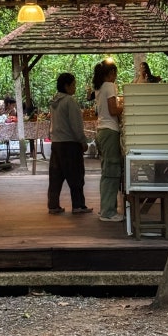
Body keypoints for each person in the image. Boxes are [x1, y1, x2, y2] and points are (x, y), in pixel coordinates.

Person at [47, 72, 92, 215]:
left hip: (56, 142)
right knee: (76, 174)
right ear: (66, 86)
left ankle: (53, 205)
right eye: (73, 85)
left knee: (56, 176)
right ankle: (78, 205)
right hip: (70, 143)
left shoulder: (54, 101)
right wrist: (82, 141)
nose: (75, 88)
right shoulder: (70, 101)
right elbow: (76, 125)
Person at [93, 60, 124, 222]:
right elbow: (113, 110)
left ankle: (106, 207)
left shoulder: (99, 87)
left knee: (107, 172)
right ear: (111, 73)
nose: (115, 77)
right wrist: (127, 106)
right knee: (112, 171)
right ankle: (108, 212)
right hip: (110, 130)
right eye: (115, 74)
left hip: (102, 131)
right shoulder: (109, 86)